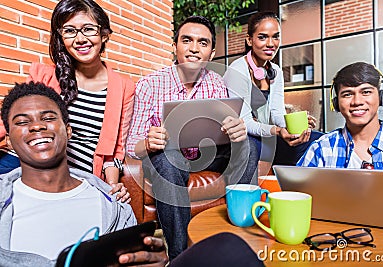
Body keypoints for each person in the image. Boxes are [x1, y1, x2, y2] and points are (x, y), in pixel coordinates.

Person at [126, 15, 259, 259]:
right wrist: (146, 142)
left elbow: (225, 129)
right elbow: (131, 145)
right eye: (187, 40)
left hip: (207, 154)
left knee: (249, 143)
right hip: (171, 158)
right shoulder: (150, 84)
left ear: (212, 51)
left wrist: (236, 130)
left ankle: (245, 232)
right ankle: (180, 255)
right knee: (167, 160)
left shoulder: (217, 83)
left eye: (203, 43)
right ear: (174, 45)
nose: (194, 49)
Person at [0, 82, 167, 267]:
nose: (37, 126)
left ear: (68, 131)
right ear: (8, 141)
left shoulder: (117, 208)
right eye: (22, 122)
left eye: (48, 118)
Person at [0, 0, 134, 194]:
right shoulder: (44, 75)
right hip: (26, 165)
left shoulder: (124, 88)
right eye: (70, 31)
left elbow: (116, 150)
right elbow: (9, 121)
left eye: (88, 29)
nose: (80, 39)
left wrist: (112, 185)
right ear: (61, 37)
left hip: (75, 177)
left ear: (104, 35)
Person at [223, 11, 323, 165]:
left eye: (275, 36)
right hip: (244, 138)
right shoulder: (237, 70)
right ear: (249, 40)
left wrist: (294, 126)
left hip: (267, 136)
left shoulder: (276, 71)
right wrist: (277, 131)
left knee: (318, 139)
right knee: (250, 147)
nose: (271, 44)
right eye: (262, 37)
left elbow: (277, 113)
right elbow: (245, 123)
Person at [298, 62, 383, 169]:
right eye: (348, 94)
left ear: (381, 97)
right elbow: (294, 185)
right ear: (336, 103)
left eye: (366, 92)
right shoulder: (321, 148)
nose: (357, 101)